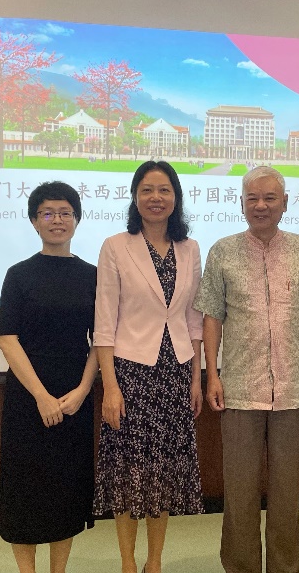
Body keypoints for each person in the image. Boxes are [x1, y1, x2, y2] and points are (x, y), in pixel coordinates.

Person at [194, 166, 299, 573]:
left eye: (270, 198)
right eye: (252, 198)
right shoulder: (222, 251)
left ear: (285, 203)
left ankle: (286, 566)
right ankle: (241, 567)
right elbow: (212, 317)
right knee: (239, 490)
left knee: (287, 490)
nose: (261, 205)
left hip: (292, 388)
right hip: (239, 388)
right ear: (241, 203)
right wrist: (212, 374)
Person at [93, 161, 204, 573]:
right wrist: (110, 387)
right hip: (130, 374)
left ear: (176, 198)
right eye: (147, 190)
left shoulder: (190, 249)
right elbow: (104, 323)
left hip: (176, 372)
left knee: (164, 472)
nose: (156, 198)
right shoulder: (116, 246)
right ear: (135, 197)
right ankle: (128, 562)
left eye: (164, 190)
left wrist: (196, 379)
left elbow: (194, 319)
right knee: (128, 471)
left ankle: (154, 562)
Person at [0, 181, 99, 573]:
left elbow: (100, 340)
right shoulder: (18, 275)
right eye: (48, 213)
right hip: (27, 396)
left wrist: (83, 389)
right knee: (24, 487)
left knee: (65, 488)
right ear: (34, 221)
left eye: (65, 213)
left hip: (74, 393)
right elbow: (7, 339)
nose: (58, 220)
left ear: (77, 219)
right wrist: (41, 396)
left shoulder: (92, 275)